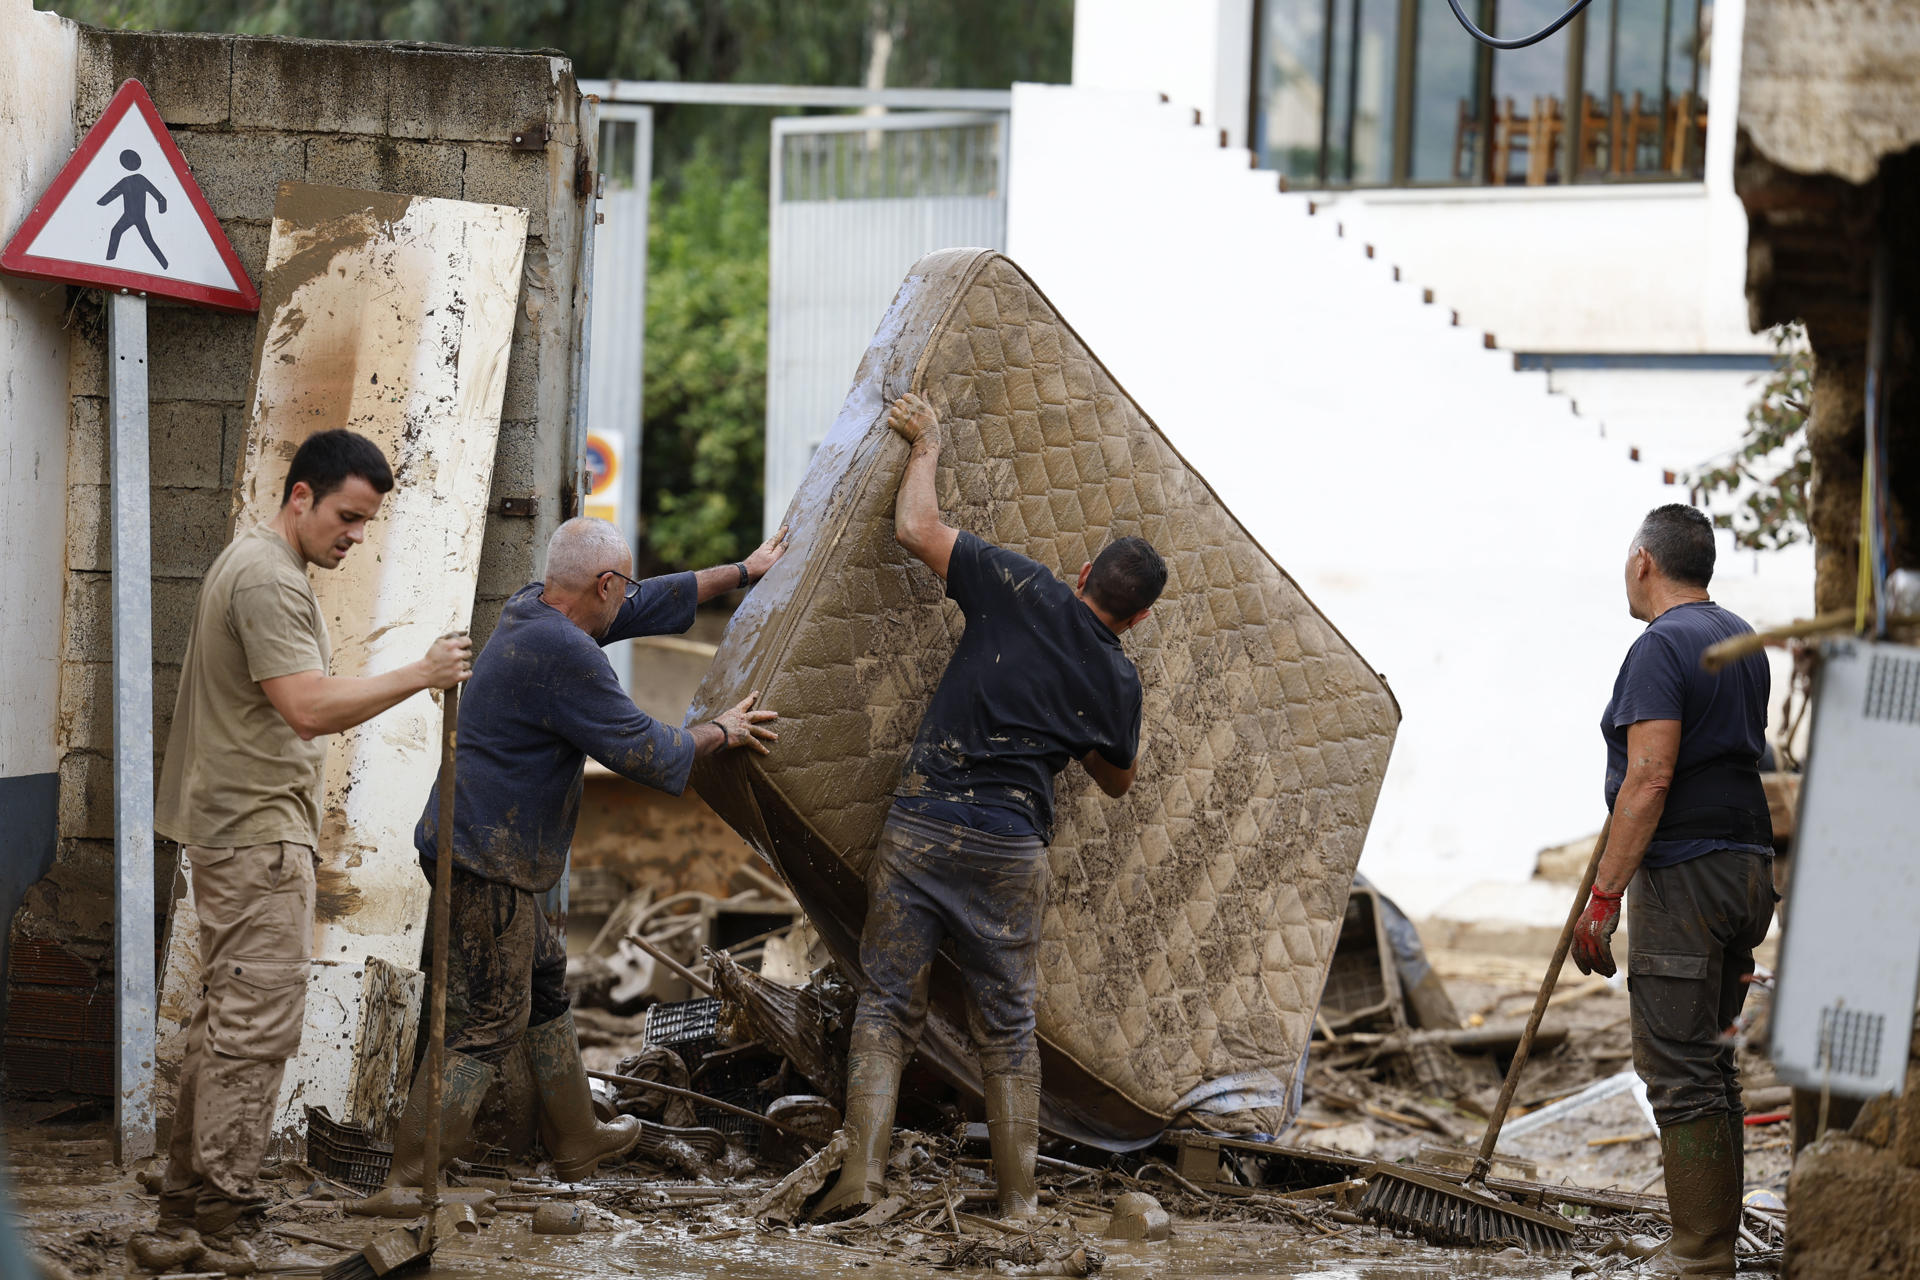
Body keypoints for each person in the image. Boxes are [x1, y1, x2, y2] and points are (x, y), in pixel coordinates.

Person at [816, 393, 1166, 1221]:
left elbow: (915, 529)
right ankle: (1018, 1202)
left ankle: (861, 1178)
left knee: (887, 1003)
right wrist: (1073, 720)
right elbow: (1119, 781)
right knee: (1007, 1027)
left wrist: (928, 445)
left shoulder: (1019, 584)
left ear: (1084, 574)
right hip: (1012, 851)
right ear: (1140, 616)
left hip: (924, 828)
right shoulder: (1119, 680)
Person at [371, 516, 787, 1196]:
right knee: (486, 1021)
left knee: (542, 986)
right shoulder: (565, 654)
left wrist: (743, 571)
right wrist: (723, 730)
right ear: (602, 583)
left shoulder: (534, 606)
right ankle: (407, 1182)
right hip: (486, 861)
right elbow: (648, 752)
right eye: (621, 588)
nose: (628, 600)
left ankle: (575, 1141)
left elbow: (647, 599)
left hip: (486, 846)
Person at [139, 430, 472, 1271]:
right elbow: (308, 707)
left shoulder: (266, 567)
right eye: (348, 517)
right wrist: (420, 674)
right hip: (254, 835)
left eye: (365, 523)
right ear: (301, 496)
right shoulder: (265, 579)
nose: (355, 535)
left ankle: (184, 1215)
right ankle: (217, 1223)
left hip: (242, 827)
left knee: (226, 1025)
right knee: (254, 1032)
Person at [1572, 503, 1775, 1278]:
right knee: (1711, 1065)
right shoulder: (1739, 636)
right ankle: (1711, 1245)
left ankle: (1697, 1261)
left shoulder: (1659, 645)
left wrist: (1604, 895)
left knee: (1678, 1069)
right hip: (1747, 867)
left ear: (1644, 563)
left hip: (1687, 871)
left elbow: (1651, 774)